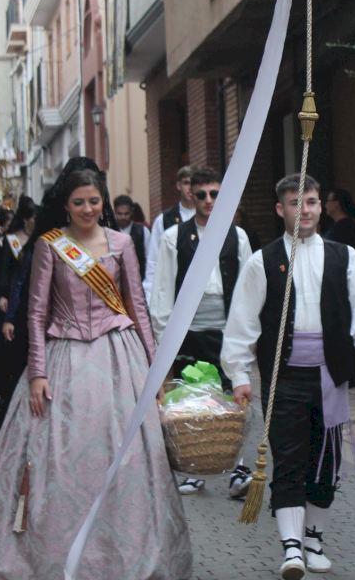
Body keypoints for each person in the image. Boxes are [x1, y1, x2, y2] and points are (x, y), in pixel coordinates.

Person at [0, 160, 192, 578]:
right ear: (66, 205)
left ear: (103, 202)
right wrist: (38, 373)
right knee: (59, 463)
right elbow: (36, 313)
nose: (87, 209)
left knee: (129, 459)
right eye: (79, 202)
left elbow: (137, 308)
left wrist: (156, 369)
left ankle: (129, 555)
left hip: (119, 358)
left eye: (94, 201)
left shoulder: (122, 244)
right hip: (63, 357)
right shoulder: (51, 246)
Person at [222, 173, 355, 579]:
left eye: (311, 201)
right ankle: (292, 548)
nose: (306, 210)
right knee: (289, 460)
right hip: (284, 379)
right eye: (296, 203)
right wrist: (239, 374)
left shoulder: (344, 257)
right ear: (280, 209)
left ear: (320, 206)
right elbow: (242, 322)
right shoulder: (262, 262)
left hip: (330, 377)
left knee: (325, 462)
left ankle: (314, 539)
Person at [149, 166, 253, 497]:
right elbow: (162, 291)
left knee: (233, 401)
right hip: (190, 333)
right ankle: (195, 469)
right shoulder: (173, 238)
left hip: (227, 332)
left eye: (215, 194)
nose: (209, 200)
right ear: (191, 196)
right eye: (202, 194)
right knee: (193, 402)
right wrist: (165, 341)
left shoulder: (238, 237)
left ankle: (238, 468)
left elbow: (249, 289)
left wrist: (248, 334)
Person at [0, 196, 39, 458]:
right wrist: (6, 303)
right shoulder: (13, 241)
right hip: (20, 316)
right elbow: (9, 274)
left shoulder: (44, 242)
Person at [0, 196, 37, 396]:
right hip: (12, 294)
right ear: (26, 219)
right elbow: (4, 269)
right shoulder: (11, 240)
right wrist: (3, 294)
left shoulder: (40, 239)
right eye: (33, 218)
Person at [146, 165, 196, 299]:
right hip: (172, 288)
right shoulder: (163, 220)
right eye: (186, 183)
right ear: (179, 185)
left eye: (194, 183)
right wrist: (150, 295)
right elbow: (153, 260)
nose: (190, 187)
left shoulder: (209, 218)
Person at [113, 194, 154, 306]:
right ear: (114, 212)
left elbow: (150, 260)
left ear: (132, 212)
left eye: (126, 214)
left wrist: (147, 285)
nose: (123, 217)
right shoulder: (108, 232)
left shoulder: (143, 231)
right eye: (119, 214)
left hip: (139, 285)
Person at [321, 188, 355, 262]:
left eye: (328, 201)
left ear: (336, 204)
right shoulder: (338, 225)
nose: (326, 205)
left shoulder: (344, 228)